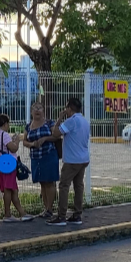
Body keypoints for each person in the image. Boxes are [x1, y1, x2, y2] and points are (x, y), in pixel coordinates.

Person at [48, 97, 90, 226]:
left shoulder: (71, 121)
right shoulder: (84, 121)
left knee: (64, 186)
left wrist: (60, 118)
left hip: (72, 160)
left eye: (66, 108)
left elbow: (55, 133)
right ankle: (77, 215)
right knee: (78, 186)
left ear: (69, 109)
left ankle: (61, 216)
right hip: (83, 158)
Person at [0, 114, 34, 222]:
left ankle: (19, 213)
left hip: (1, 165)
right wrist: (17, 140)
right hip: (9, 164)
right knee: (10, 190)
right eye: (8, 124)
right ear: (5, 124)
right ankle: (10, 214)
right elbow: (13, 149)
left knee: (10, 189)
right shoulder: (4, 135)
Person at [24, 102, 60, 218]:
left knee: (49, 182)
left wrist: (45, 139)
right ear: (31, 112)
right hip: (36, 157)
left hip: (49, 155)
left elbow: (56, 136)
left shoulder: (49, 123)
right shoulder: (28, 126)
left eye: (40, 108)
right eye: (35, 108)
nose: (37, 110)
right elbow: (24, 141)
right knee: (42, 183)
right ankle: (46, 209)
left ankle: (50, 209)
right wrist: (32, 144)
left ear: (43, 111)